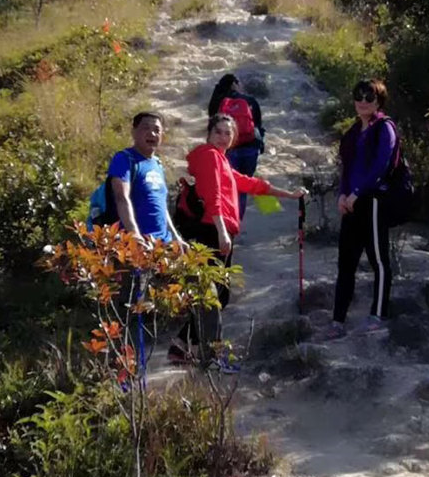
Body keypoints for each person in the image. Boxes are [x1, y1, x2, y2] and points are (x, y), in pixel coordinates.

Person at [167, 112, 304, 364]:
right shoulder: (209, 156)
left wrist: (289, 194)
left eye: (227, 133)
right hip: (210, 231)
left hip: (217, 230)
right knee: (213, 295)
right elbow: (213, 196)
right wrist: (221, 231)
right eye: (218, 131)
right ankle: (192, 348)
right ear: (209, 133)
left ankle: (188, 347)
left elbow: (250, 184)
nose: (222, 137)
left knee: (217, 294)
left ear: (234, 138)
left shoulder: (222, 161)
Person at [323, 78, 397, 340]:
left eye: (370, 97)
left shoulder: (384, 128)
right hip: (351, 203)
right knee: (346, 263)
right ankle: (338, 320)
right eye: (359, 96)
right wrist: (343, 194)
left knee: (378, 260)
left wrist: (358, 192)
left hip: (373, 200)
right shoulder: (353, 132)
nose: (363, 101)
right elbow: (347, 167)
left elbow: (381, 165)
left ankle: (377, 315)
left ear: (379, 101)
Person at [105, 111, 182, 245]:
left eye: (157, 130)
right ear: (134, 132)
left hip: (162, 245)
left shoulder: (157, 164)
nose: (152, 133)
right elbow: (121, 197)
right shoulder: (124, 159)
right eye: (145, 128)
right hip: (138, 245)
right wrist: (134, 234)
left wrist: (176, 238)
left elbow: (162, 206)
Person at [208, 73, 265, 219]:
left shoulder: (218, 101)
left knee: (225, 186)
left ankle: (227, 221)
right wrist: (260, 145)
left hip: (228, 149)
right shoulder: (250, 100)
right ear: (235, 84)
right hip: (250, 148)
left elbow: (212, 125)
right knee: (242, 186)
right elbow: (258, 126)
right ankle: (237, 221)